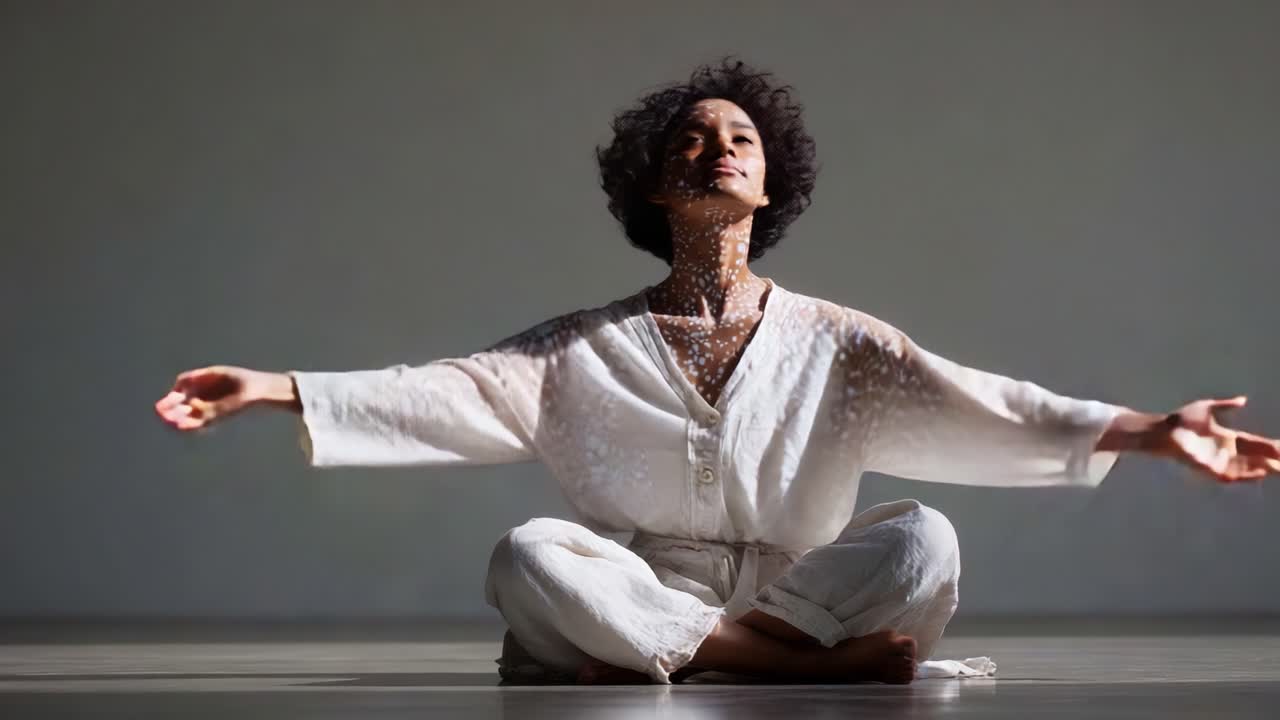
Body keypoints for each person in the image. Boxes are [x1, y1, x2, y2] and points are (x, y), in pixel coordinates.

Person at [154, 57, 1280, 686]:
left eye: (739, 136)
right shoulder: (577, 348)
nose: (719, 146)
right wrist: (276, 388)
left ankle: (718, 659)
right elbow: (436, 387)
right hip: (645, 600)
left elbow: (987, 406)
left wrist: (1145, 430)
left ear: (766, 178)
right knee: (529, 554)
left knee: (925, 535)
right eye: (692, 137)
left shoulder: (838, 340)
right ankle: (780, 671)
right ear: (654, 184)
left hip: (809, 598)